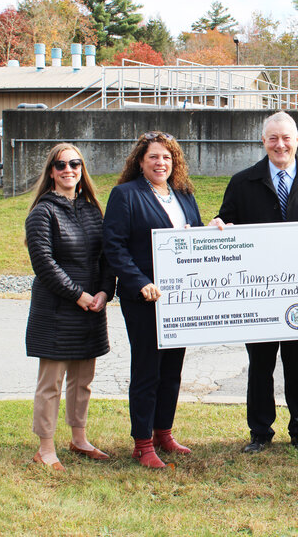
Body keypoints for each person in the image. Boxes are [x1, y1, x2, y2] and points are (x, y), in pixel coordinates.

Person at [210, 111, 298, 454]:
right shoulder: (242, 182)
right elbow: (226, 223)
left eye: (286, 138)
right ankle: (260, 432)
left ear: (297, 140)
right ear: (263, 141)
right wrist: (218, 226)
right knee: (261, 365)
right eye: (272, 138)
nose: (280, 145)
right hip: (258, 294)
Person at [103, 131, 203, 468]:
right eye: (153, 158)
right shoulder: (125, 195)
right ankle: (142, 443)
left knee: (172, 369)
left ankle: (164, 432)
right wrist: (139, 281)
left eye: (166, 157)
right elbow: (114, 246)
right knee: (147, 369)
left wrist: (212, 230)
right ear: (140, 162)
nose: (161, 163)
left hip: (180, 296)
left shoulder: (184, 195)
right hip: (144, 298)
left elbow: (196, 237)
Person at [25, 143, 115, 471]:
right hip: (57, 312)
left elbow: (107, 256)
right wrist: (79, 295)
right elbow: (44, 264)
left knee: (82, 380)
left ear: (82, 169)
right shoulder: (42, 212)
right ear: (51, 171)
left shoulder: (93, 210)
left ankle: (79, 439)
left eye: (74, 164)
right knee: (51, 383)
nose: (68, 170)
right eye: (61, 165)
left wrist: (105, 291)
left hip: (92, 308)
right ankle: (45, 448)